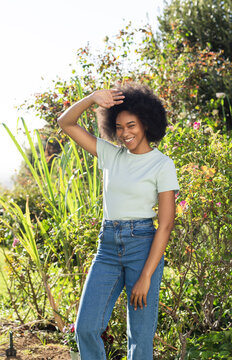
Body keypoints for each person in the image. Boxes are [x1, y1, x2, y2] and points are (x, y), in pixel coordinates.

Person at [57, 83, 180, 360]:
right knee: (86, 327)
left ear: (146, 123)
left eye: (132, 125)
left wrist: (146, 276)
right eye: (120, 127)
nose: (125, 133)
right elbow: (65, 123)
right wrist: (91, 99)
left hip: (143, 246)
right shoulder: (111, 155)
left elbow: (166, 224)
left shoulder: (162, 164)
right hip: (108, 247)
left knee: (140, 338)